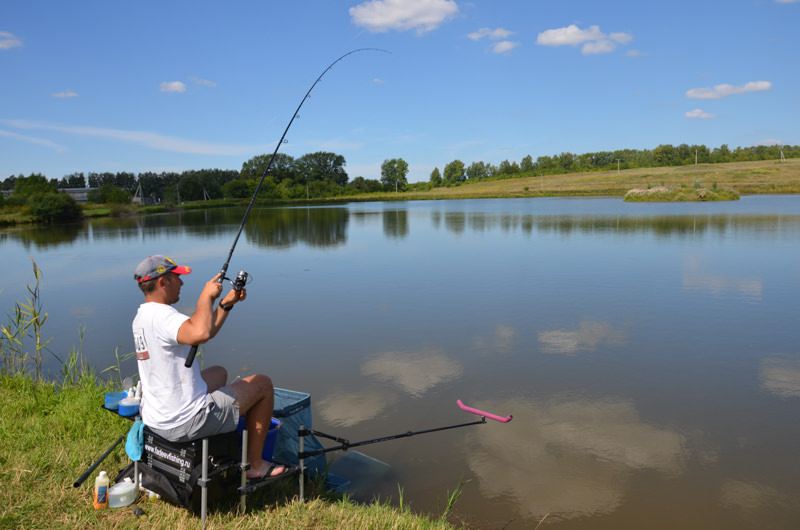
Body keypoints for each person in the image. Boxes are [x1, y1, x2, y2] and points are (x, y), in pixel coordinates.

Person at [132, 254, 286, 481]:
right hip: (183, 422)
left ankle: (226, 420)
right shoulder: (163, 317)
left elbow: (202, 331)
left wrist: (226, 304)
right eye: (177, 278)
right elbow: (202, 332)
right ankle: (255, 465)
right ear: (163, 282)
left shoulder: (143, 316)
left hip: (156, 417)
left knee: (218, 372)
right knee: (262, 384)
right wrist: (206, 297)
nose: (181, 283)